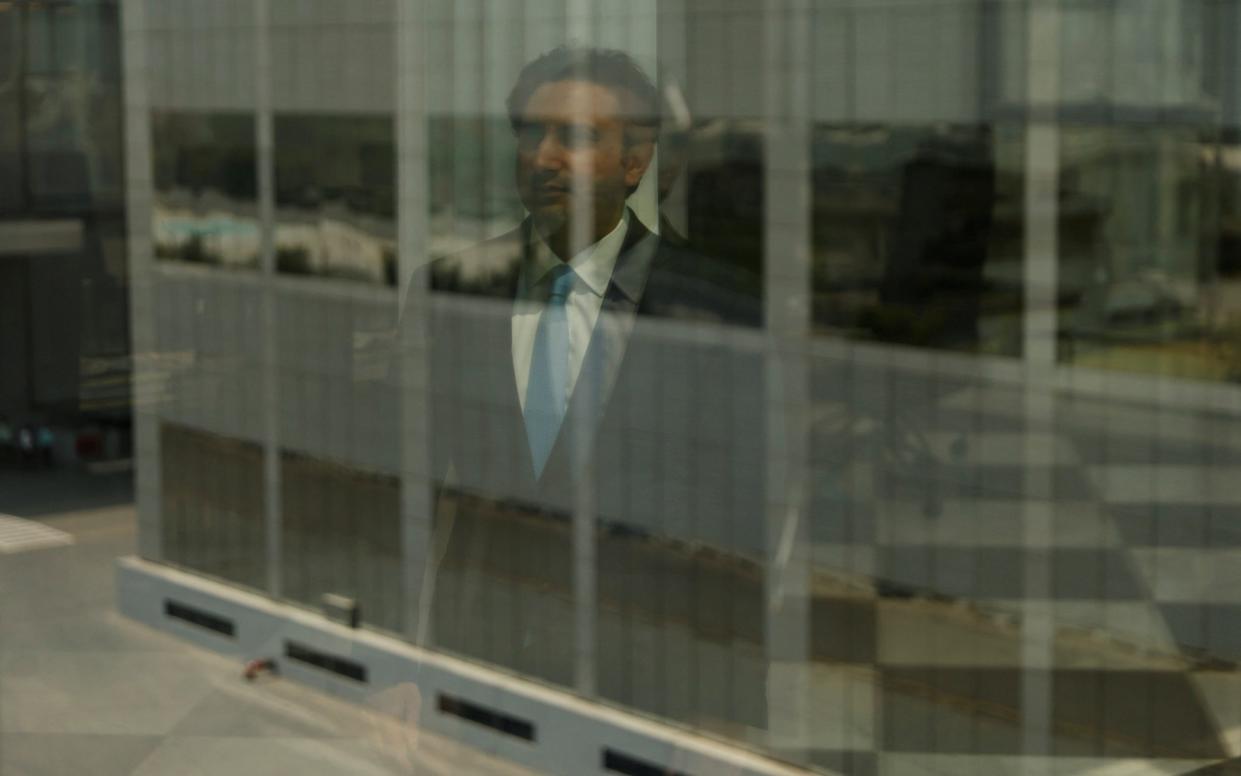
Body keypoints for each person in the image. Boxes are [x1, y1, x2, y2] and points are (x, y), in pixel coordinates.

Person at [405, 46, 765, 732]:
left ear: (635, 163)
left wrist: (727, 718)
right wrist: (407, 663)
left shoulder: (723, 313)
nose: (543, 159)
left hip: (659, 690)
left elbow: (747, 530)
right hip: (486, 673)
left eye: (573, 137)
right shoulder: (450, 288)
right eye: (529, 136)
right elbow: (417, 494)